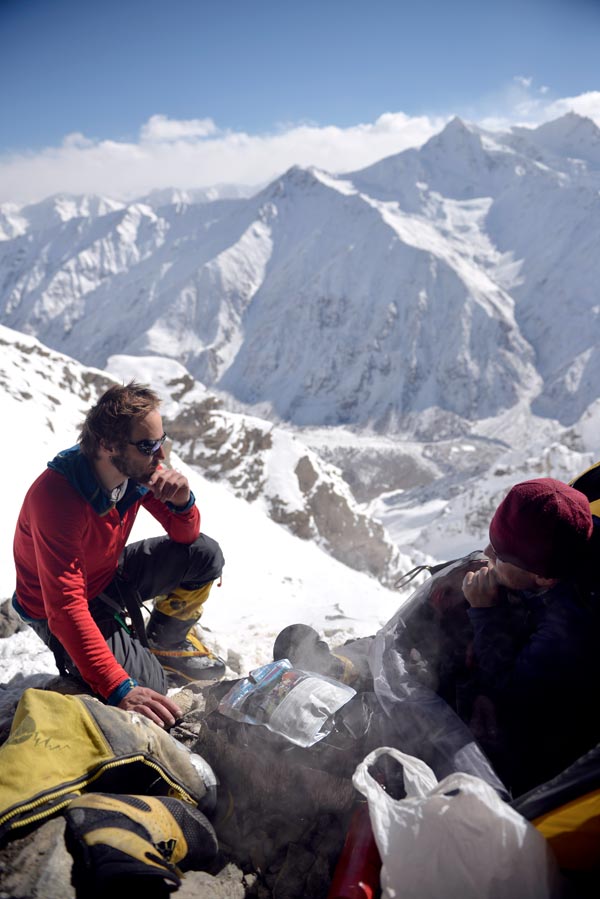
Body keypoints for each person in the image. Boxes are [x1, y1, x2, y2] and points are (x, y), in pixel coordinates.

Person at [12, 381, 225, 728]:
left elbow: (185, 536)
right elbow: (65, 609)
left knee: (205, 555)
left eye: (162, 441)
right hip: (55, 608)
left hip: (104, 573)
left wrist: (183, 501)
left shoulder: (135, 472)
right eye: (147, 445)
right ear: (108, 445)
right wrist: (119, 688)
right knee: (150, 690)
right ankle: (115, 667)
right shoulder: (58, 498)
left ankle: (163, 644)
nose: (161, 456)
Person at [462, 477, 600, 795]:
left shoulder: (568, 629)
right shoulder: (574, 533)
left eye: (500, 556)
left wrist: (486, 612)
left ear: (543, 577)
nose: (486, 554)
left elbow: (509, 690)